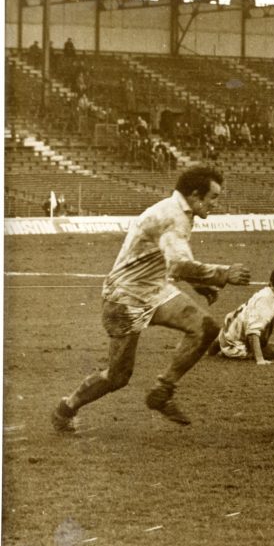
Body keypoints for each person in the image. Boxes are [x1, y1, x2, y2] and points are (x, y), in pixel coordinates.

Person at [50, 166, 252, 433]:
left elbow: (168, 258)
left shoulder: (177, 211)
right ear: (195, 195)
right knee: (118, 376)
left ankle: (163, 390)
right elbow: (178, 265)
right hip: (124, 298)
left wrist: (198, 284)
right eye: (213, 197)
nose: (216, 204)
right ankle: (66, 408)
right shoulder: (173, 217)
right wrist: (222, 274)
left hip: (154, 291)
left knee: (205, 328)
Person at [208, 266, 274, 365]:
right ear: (271, 285)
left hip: (236, 328)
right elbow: (252, 331)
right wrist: (260, 359)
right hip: (237, 341)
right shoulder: (265, 299)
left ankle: (221, 341)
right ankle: (225, 346)